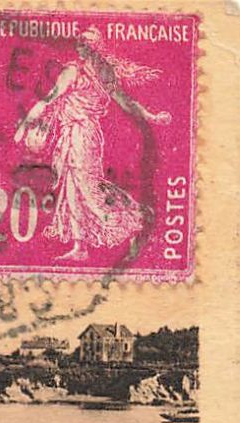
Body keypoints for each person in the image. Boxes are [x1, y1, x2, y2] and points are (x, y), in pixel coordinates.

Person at [13, 27, 171, 262]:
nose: (83, 50)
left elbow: (50, 100)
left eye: (85, 47)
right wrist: (152, 116)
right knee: (72, 189)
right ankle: (80, 247)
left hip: (82, 134)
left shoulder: (85, 74)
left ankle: (130, 222)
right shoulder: (87, 74)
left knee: (86, 187)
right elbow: (52, 100)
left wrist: (24, 126)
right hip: (76, 133)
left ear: (87, 50)